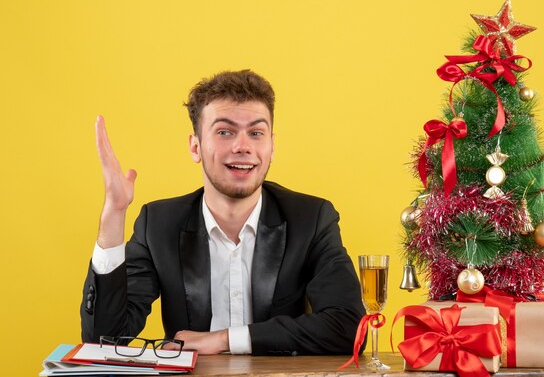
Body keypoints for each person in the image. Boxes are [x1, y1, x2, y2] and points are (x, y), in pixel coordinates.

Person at [80, 70, 365, 356]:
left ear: (272, 146)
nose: (243, 147)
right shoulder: (157, 224)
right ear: (196, 147)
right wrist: (114, 216)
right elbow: (106, 340)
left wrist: (224, 339)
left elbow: (350, 327)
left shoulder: (312, 219)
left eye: (256, 133)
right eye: (225, 132)